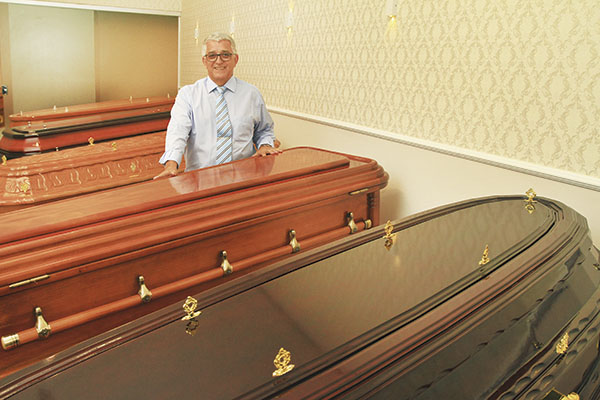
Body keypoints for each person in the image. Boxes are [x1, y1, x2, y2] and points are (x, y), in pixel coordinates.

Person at [155, 32, 280, 179]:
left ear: (235, 59)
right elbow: (178, 131)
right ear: (204, 61)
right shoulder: (188, 95)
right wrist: (172, 163)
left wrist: (265, 145)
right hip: (200, 181)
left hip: (244, 178)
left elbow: (264, 130)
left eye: (225, 55)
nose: (219, 61)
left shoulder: (252, 94)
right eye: (212, 56)